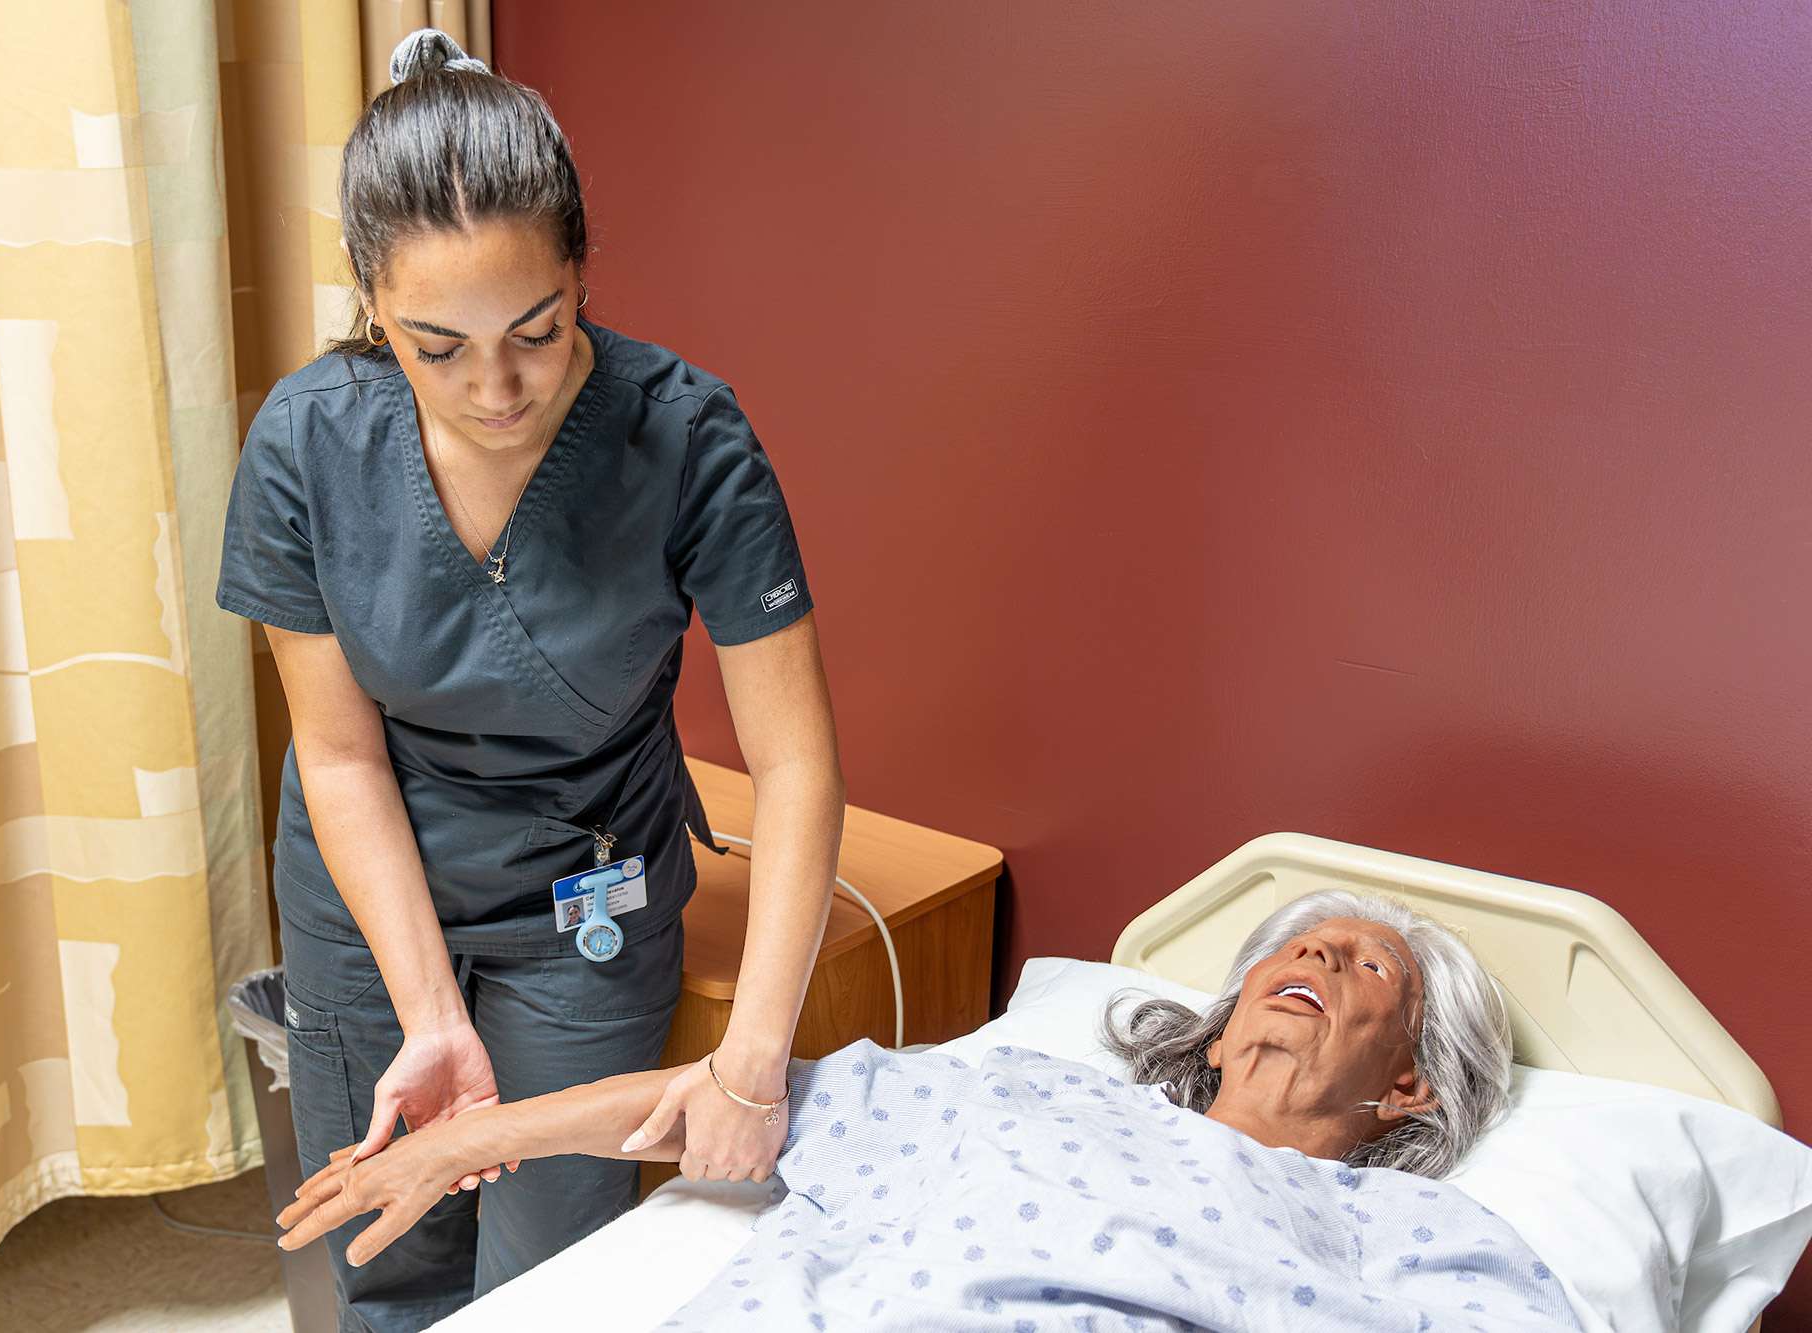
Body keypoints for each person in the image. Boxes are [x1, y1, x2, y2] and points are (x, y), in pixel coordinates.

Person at [215, 27, 843, 1329]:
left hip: (583, 894)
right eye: (435, 345)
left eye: (538, 332)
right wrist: (430, 1016)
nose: (494, 387)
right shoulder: (306, 444)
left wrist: (754, 1060)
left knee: (549, 1290)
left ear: (580, 275)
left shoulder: (686, 438)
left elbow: (793, 763)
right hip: (372, 890)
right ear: (370, 299)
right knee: (391, 1259)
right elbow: (336, 753)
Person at [273, 890, 1517, 1269]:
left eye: (1362, 968)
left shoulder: (1408, 1232)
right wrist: (449, 1143)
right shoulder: (1030, 1094)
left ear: (1406, 1084)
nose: (1310, 955)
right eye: (1293, 948)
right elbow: (731, 1100)